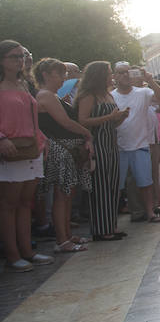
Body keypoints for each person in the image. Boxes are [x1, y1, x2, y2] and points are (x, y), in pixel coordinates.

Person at [0, 40, 54, 271]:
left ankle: (27, 251)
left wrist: (42, 139)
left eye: (22, 56)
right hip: (10, 149)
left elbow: (30, 117)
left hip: (31, 147)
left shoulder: (24, 84)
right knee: (8, 204)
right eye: (14, 56)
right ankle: (13, 255)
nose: (20, 60)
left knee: (25, 203)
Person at [34, 58, 94, 252]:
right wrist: (87, 133)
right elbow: (65, 122)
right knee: (62, 195)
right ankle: (62, 239)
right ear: (46, 75)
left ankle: (66, 235)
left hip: (64, 151)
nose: (64, 78)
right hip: (59, 151)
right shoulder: (46, 95)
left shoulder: (52, 95)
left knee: (66, 194)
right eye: (60, 74)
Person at [75, 61, 129, 241]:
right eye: (108, 72)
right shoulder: (88, 96)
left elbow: (112, 123)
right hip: (96, 144)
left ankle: (111, 225)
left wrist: (120, 118)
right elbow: (82, 121)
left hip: (110, 144)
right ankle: (101, 229)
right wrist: (110, 117)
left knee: (113, 186)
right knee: (100, 187)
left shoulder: (107, 95)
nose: (111, 76)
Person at [111, 62, 160, 223]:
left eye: (128, 72)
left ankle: (150, 213)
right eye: (121, 72)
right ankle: (112, 220)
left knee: (145, 183)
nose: (125, 75)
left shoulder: (143, 92)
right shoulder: (111, 96)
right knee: (117, 186)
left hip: (140, 145)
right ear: (114, 76)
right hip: (119, 147)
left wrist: (150, 80)